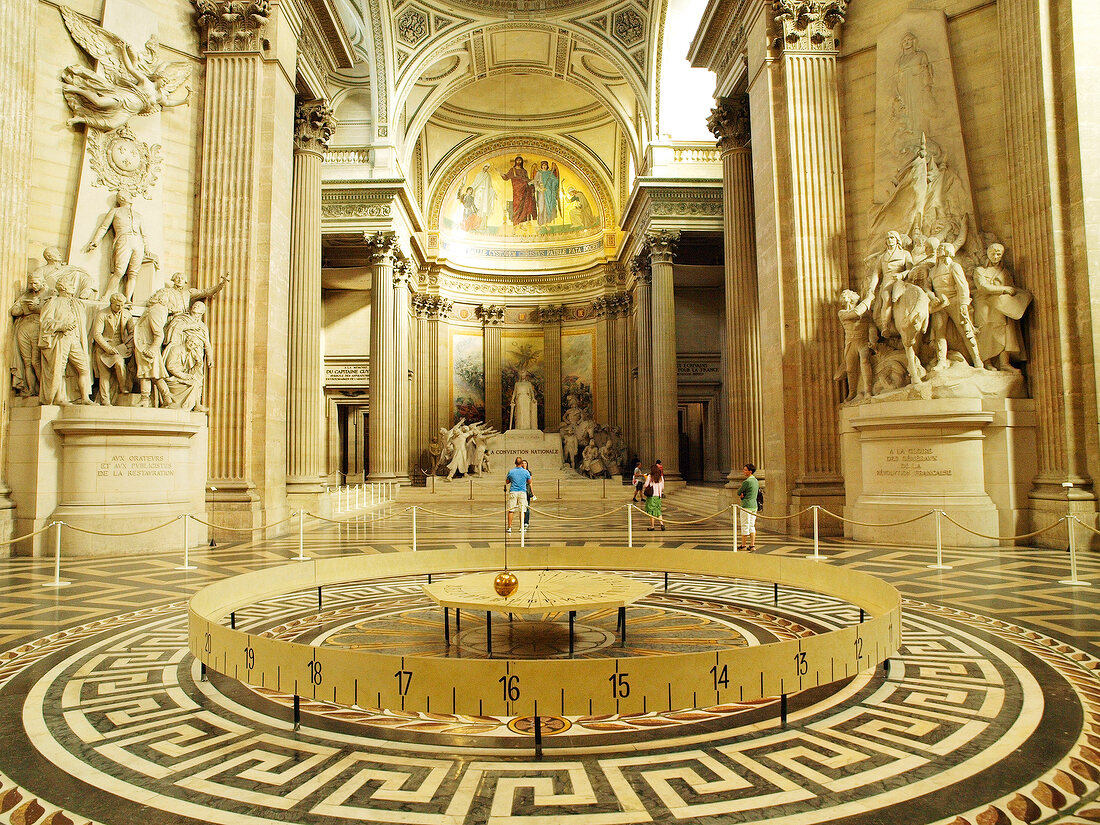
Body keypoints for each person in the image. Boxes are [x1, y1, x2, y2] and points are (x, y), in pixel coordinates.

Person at [91, 292, 135, 405]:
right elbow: (97, 334)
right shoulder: (102, 314)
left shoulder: (126, 314)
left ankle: (123, 386)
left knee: (120, 364)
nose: (120, 308)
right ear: (111, 303)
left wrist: (128, 345)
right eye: (117, 305)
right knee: (104, 375)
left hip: (119, 348)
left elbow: (132, 332)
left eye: (122, 305)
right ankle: (105, 401)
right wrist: (107, 348)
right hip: (103, 348)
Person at [504, 456, 532, 533]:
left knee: (511, 510)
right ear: (521, 463)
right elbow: (529, 482)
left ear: (515, 463)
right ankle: (521, 527)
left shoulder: (511, 471)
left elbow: (507, 481)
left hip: (513, 491)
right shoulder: (526, 472)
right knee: (522, 510)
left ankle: (509, 527)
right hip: (522, 492)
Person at [737, 463, 760, 551]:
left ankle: (743, 545)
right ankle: (752, 545)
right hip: (754, 505)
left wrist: (742, 494)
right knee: (752, 525)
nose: (744, 471)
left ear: (750, 471)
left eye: (745, 470)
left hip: (746, 505)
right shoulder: (755, 480)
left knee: (745, 525)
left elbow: (739, 492)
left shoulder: (747, 481)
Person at [643, 461, 665, 530]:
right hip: (658, 496)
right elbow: (663, 487)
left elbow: (646, 485)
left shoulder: (650, 477)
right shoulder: (661, 477)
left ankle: (652, 526)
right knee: (658, 510)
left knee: (651, 511)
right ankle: (662, 524)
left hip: (651, 496)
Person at [521, 458, 535, 529]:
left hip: (527, 489)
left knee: (527, 506)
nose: (524, 464)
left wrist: (532, 492)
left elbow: (530, 483)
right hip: (521, 489)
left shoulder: (529, 472)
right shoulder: (519, 472)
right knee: (521, 507)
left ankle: (526, 522)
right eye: (523, 463)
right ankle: (522, 522)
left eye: (525, 463)